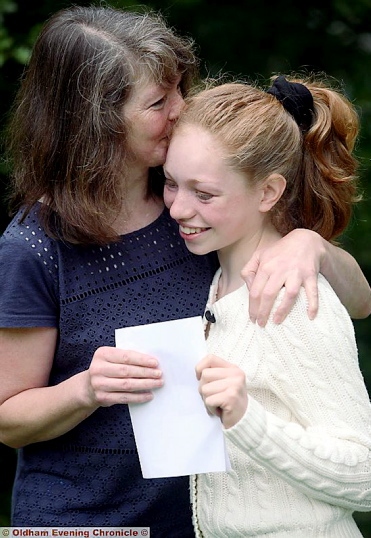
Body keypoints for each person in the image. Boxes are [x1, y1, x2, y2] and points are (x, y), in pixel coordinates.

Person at [0, 2, 369, 530]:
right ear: (94, 120)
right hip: (83, 518)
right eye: (157, 101)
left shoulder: (201, 200)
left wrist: (311, 243)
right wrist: (83, 390)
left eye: (178, 87)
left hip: (204, 518)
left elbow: (357, 303)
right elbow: (7, 417)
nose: (179, 108)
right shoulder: (36, 245)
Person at [163, 75, 371, 537]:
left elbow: (365, 476)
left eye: (204, 193)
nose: (178, 209)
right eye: (171, 184)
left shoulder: (292, 298)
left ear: (267, 193)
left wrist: (245, 418)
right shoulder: (217, 283)